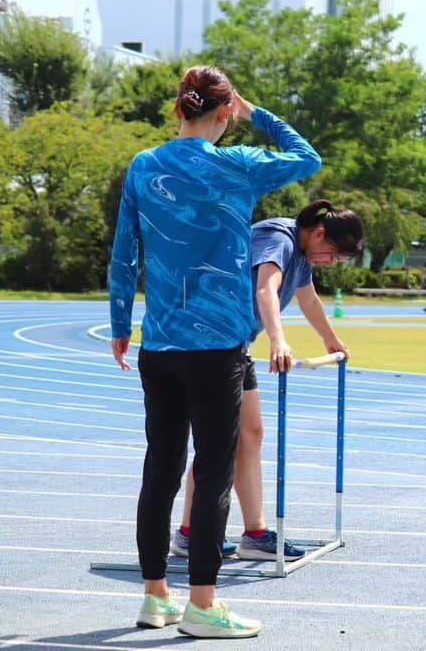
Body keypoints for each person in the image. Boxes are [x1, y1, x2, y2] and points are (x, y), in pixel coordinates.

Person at [110, 65, 321, 638]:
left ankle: (156, 597)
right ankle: (203, 603)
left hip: (160, 342)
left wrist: (119, 323)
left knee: (161, 470)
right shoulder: (238, 166)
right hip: (218, 346)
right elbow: (308, 158)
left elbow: (125, 250)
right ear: (224, 112)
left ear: (179, 108)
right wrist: (257, 114)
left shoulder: (144, 165)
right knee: (213, 472)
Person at [170, 200, 365, 562]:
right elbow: (265, 290)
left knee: (250, 434)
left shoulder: (302, 255)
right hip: (207, 341)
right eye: (333, 256)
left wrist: (331, 339)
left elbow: (308, 300)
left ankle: (251, 533)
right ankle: (191, 533)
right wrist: (278, 339)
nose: (329, 263)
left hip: (234, 344)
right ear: (319, 234)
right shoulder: (280, 239)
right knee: (219, 441)